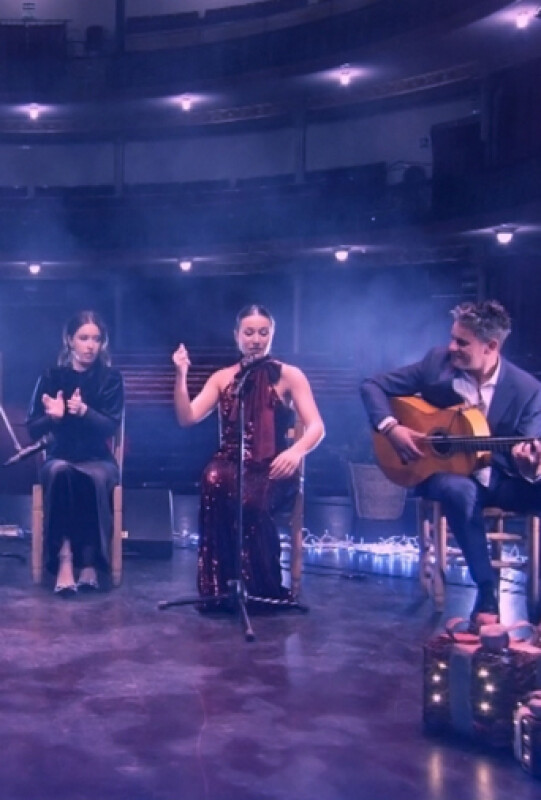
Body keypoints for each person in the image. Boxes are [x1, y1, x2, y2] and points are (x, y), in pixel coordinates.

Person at [360, 299, 541, 627]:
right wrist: (392, 428)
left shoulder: (527, 389)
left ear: (491, 346)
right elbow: (372, 385)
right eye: (452, 338)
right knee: (460, 490)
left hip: (499, 478)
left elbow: (528, 453)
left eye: (462, 342)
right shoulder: (437, 364)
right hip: (439, 472)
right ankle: (486, 593)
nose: (452, 347)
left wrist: (529, 464)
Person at [173, 304, 325, 604]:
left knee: (249, 499)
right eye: (249, 333)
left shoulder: (289, 375)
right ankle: (221, 586)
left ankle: (261, 587)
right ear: (237, 336)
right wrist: (181, 375)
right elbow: (187, 417)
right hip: (231, 462)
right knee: (212, 477)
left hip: (273, 465)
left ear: (272, 335)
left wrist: (296, 452)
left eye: (263, 333)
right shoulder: (223, 377)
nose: (256, 340)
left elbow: (317, 426)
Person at [27, 311, 124, 595]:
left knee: (93, 477)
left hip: (97, 458)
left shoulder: (110, 378)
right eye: (84, 338)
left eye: (96, 339)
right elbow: (33, 429)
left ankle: (90, 562)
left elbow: (111, 426)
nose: (90, 345)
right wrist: (52, 418)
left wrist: (84, 412)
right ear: (70, 340)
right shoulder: (51, 376)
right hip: (60, 455)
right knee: (60, 472)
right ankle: (65, 558)